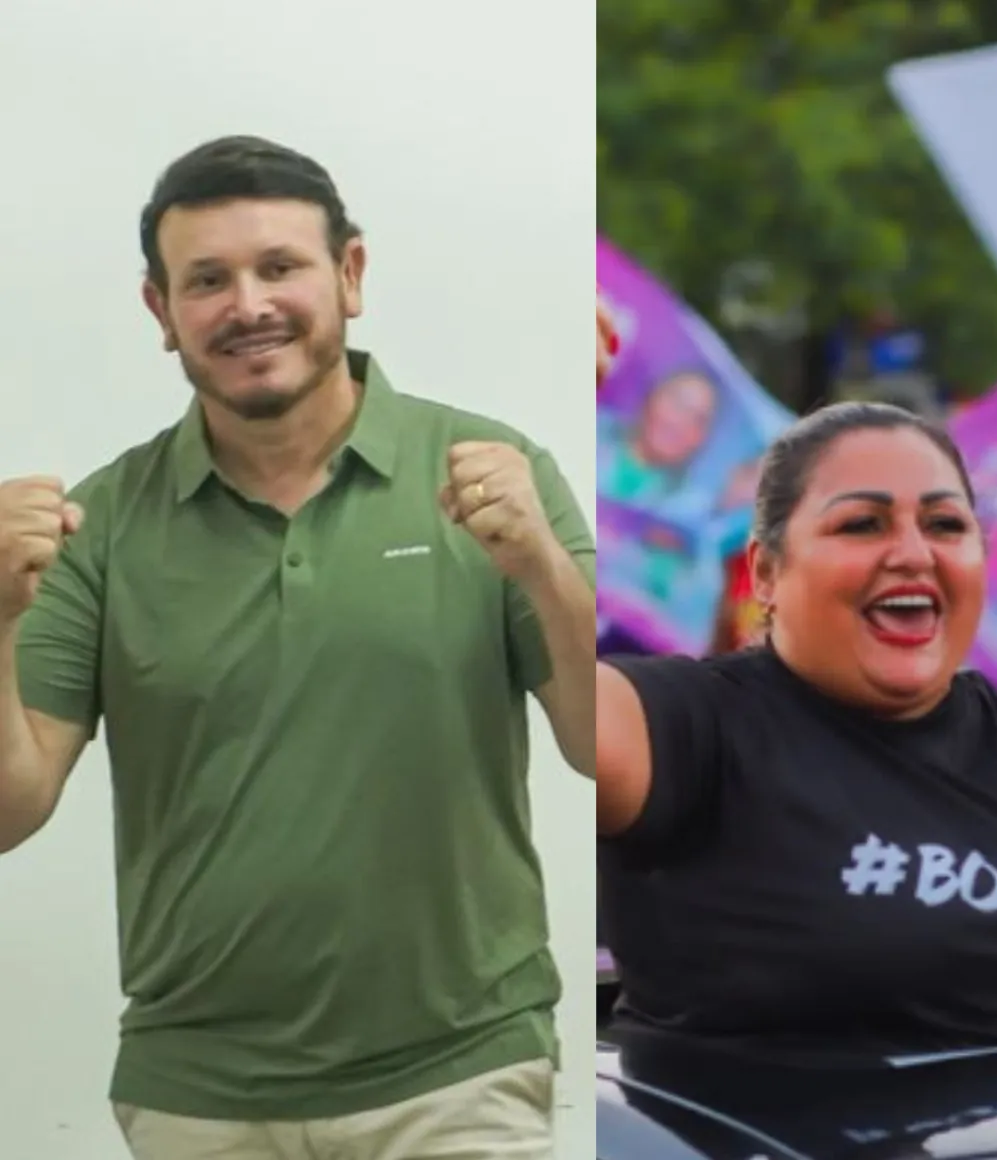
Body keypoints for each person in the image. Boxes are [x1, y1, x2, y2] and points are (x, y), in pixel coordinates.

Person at [0, 136, 596, 1160]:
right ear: (161, 311)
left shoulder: (492, 474)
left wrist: (544, 568)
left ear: (349, 275)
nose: (248, 304)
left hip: (459, 1074)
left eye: (279, 267)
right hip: (198, 1090)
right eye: (207, 280)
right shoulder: (96, 523)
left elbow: (602, 742)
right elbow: (10, 812)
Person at [596, 402, 997, 1057]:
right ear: (768, 572)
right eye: (863, 524)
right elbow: (552, 707)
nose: (914, 553)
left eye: (946, 524)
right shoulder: (696, 723)